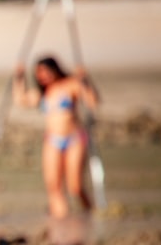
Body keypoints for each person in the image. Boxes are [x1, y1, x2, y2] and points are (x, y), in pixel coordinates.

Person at [13, 55, 100, 219]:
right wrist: (19, 78)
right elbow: (20, 100)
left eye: (44, 71)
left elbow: (92, 101)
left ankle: (90, 214)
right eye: (38, 73)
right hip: (52, 140)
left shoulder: (71, 85)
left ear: (54, 69)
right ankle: (62, 225)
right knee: (54, 187)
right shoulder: (43, 93)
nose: (42, 76)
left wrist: (85, 80)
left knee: (75, 187)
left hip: (74, 138)